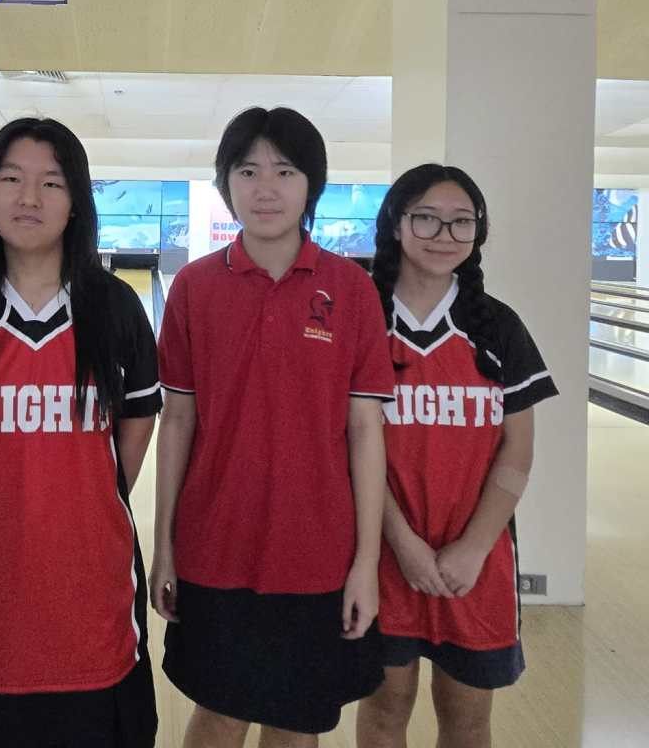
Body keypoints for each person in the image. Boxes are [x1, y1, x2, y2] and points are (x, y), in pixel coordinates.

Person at [152, 106, 395, 748]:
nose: (265, 188)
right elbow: (177, 421)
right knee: (218, 717)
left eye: (284, 171)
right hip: (214, 546)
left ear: (311, 184)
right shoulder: (194, 288)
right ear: (225, 184)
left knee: (295, 724)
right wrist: (164, 545)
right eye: (247, 171)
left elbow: (366, 433)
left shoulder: (352, 289)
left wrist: (366, 564)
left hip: (318, 553)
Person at [0, 118, 160, 748]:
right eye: (11, 179)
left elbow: (135, 426)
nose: (29, 197)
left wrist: (83, 497)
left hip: (96, 586)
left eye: (52, 183)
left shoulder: (116, 308)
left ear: (77, 201)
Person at [356, 164, 558, 748]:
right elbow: (350, 444)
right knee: (385, 711)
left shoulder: (497, 327)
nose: (444, 235)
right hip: (382, 554)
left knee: (467, 718)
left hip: (476, 561)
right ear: (395, 223)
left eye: (461, 222)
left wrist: (473, 548)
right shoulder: (364, 321)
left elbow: (518, 449)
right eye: (426, 218)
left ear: (478, 232)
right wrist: (403, 543)